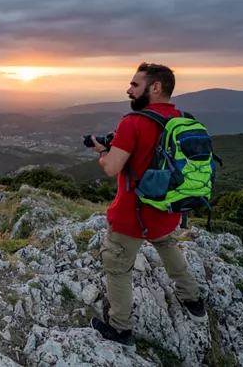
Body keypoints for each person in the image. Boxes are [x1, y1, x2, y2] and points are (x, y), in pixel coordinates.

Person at [87, 62, 207, 347]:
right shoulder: (182, 119)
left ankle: (121, 329)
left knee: (118, 269)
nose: (129, 90)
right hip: (168, 211)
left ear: (155, 87)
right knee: (168, 247)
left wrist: (102, 151)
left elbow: (112, 168)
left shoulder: (133, 122)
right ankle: (193, 300)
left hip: (132, 217)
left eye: (134, 84)